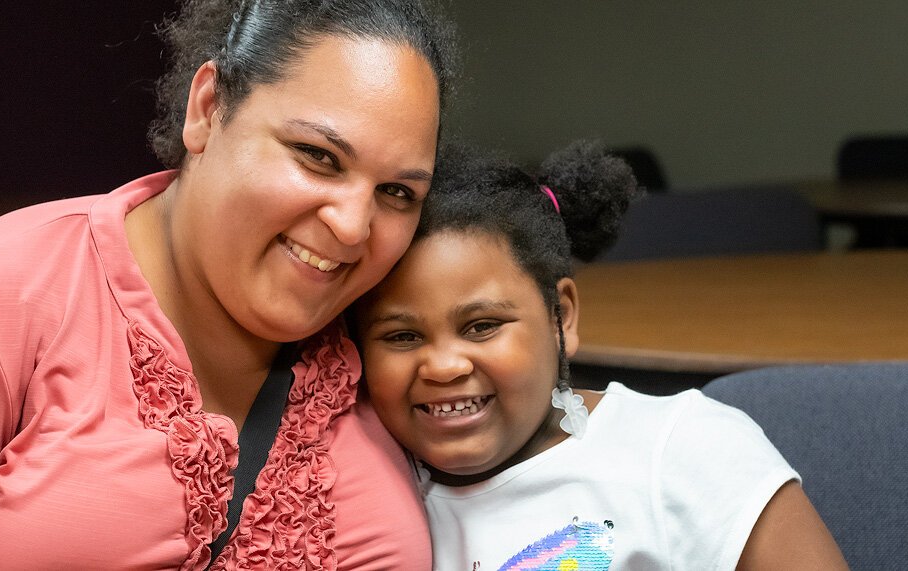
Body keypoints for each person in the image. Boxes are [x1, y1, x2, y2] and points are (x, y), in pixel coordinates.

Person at [0, 1, 456, 569]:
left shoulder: (391, 338)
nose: (356, 225)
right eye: (318, 156)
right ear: (208, 110)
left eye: (397, 193)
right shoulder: (5, 296)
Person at [351, 140, 848, 570]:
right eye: (401, 337)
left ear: (561, 317)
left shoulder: (682, 450)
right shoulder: (353, 485)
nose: (444, 366)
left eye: (482, 327)